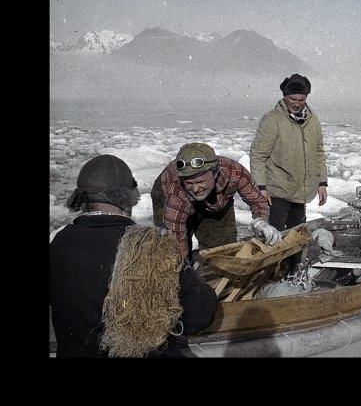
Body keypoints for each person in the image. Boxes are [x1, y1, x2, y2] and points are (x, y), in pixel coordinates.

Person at [50, 154, 218, 357]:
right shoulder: (152, 247)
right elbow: (202, 313)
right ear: (129, 199)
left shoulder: (59, 244)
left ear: (82, 200)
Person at [152, 142, 281, 261]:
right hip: (170, 198)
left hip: (217, 201)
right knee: (171, 253)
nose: (195, 189)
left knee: (223, 252)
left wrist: (261, 221)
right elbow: (176, 240)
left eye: (200, 182)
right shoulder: (176, 193)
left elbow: (256, 199)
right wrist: (182, 268)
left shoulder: (234, 172)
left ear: (215, 174)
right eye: (189, 183)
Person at [249, 73, 328, 232]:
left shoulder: (312, 119)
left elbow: (318, 152)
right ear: (285, 97)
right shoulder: (272, 120)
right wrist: (261, 188)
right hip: (276, 192)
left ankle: (296, 258)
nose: (297, 104)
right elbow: (258, 155)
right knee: (274, 236)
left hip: (300, 191)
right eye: (293, 99)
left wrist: (322, 183)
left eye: (301, 100)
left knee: (296, 236)